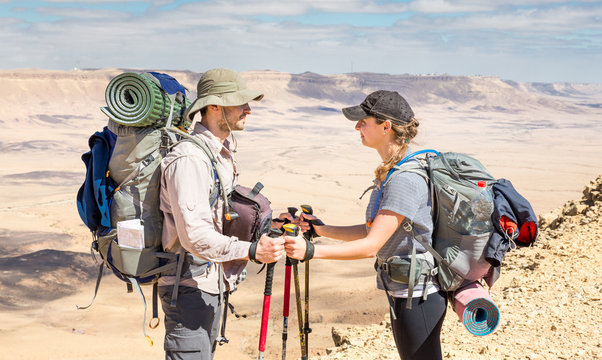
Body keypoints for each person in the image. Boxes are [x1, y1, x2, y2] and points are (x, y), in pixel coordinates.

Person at [284, 90, 447, 360]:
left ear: (386, 127)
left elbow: (372, 246)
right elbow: (376, 231)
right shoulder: (392, 172)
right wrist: (320, 230)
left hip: (418, 296)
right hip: (406, 291)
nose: (357, 126)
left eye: (364, 121)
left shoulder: (404, 179)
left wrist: (311, 251)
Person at [158, 68, 285, 360]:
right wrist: (252, 250)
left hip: (211, 282)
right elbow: (195, 238)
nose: (248, 110)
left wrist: (271, 225)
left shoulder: (219, 152)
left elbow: (221, 215)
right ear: (214, 106)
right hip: (188, 288)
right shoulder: (190, 159)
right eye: (240, 103)